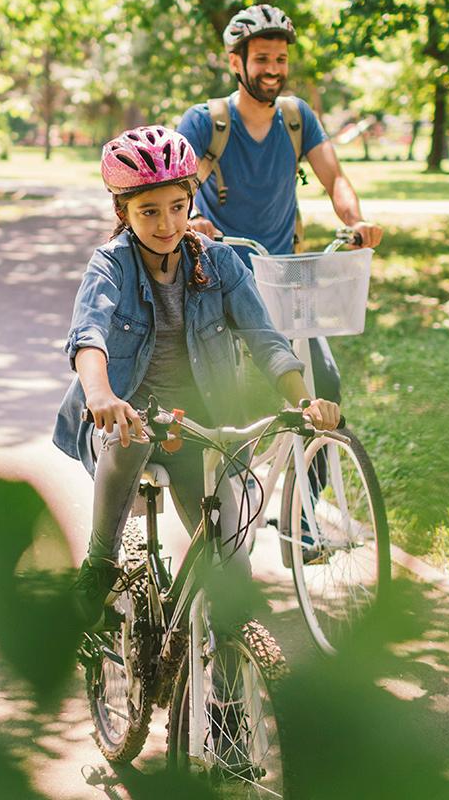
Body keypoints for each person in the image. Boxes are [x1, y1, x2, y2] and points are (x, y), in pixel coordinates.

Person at [54, 126, 340, 623]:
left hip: (197, 425)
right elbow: (89, 335)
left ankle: (228, 689)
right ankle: (101, 559)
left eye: (177, 207)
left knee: (232, 570)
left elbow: (265, 339)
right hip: (125, 417)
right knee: (131, 433)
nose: (166, 223)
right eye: (148, 211)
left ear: (191, 203)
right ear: (123, 213)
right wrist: (100, 395)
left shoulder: (220, 263)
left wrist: (302, 400)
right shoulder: (111, 266)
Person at [176, 3, 381, 406]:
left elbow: (334, 177)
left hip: (284, 276)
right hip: (221, 278)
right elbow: (179, 189)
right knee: (223, 397)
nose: (273, 69)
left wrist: (357, 221)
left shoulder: (297, 117)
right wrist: (195, 217)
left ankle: (315, 468)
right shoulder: (206, 122)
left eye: (281, 59)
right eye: (263, 59)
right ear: (237, 62)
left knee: (324, 385)